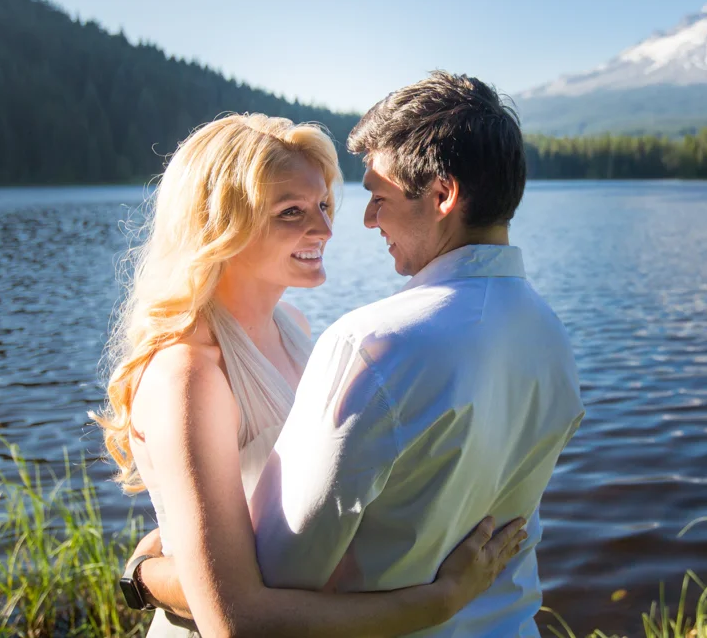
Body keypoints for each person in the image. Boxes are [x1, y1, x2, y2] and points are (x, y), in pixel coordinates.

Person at [94, 112, 527, 638]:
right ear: (220, 224)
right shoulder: (188, 373)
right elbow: (235, 619)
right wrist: (438, 602)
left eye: (323, 206)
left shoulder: (294, 326)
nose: (323, 228)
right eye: (291, 211)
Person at [250, 72, 585, 637]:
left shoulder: (374, 346)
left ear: (442, 195)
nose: (365, 220)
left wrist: (151, 568)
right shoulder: (551, 337)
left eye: (378, 199)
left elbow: (279, 569)